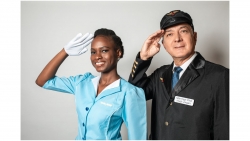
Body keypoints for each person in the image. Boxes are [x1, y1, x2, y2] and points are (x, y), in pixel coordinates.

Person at [128, 10, 229, 140]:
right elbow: (133, 94)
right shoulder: (161, 74)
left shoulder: (220, 76)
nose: (177, 38)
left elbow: (224, 128)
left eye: (183, 31)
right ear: (163, 44)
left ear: (195, 36)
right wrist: (143, 58)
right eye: (170, 34)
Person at [35, 28, 147, 140]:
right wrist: (65, 52)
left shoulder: (129, 93)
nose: (97, 56)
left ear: (118, 52)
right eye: (93, 52)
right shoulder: (82, 82)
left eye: (104, 50)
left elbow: (138, 137)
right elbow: (43, 81)